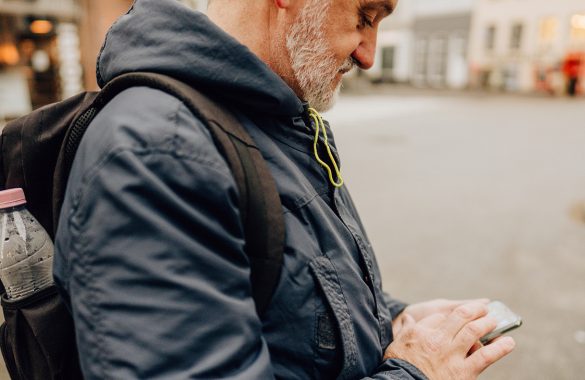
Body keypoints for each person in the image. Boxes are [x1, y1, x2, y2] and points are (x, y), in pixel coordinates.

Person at [53, 0, 516, 378]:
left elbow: (294, 295)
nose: (368, 55)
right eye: (364, 17)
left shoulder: (273, 119)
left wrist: (391, 318)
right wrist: (417, 372)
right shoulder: (160, 152)